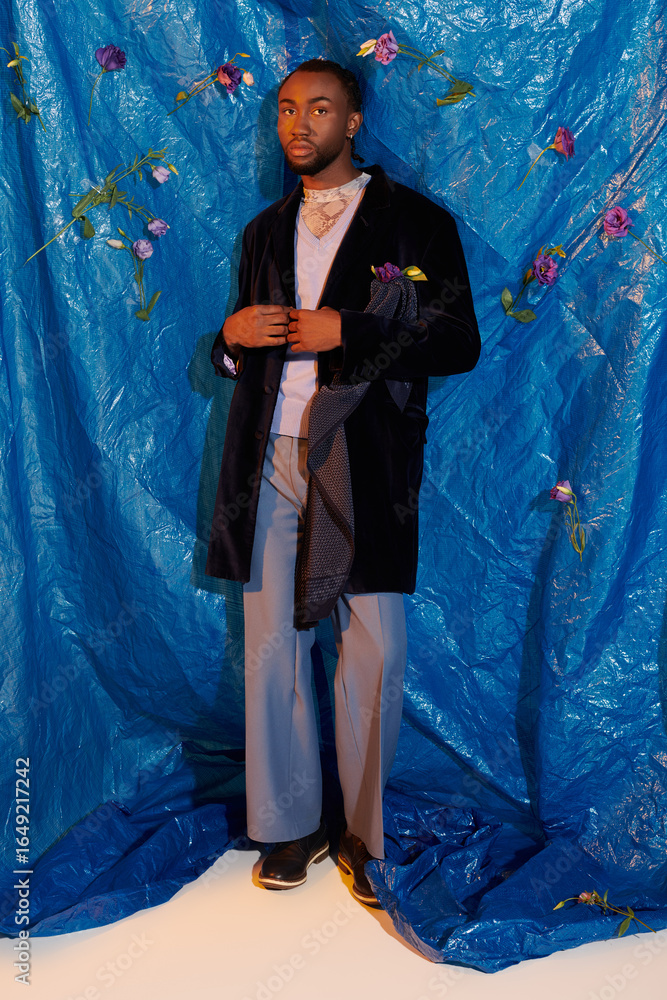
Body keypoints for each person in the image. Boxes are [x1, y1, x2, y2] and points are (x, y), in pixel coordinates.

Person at [205, 58, 480, 907]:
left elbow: (456, 342)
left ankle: (363, 834)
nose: (299, 125)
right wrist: (229, 336)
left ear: (353, 120)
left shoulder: (415, 225)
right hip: (267, 459)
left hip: (363, 463)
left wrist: (346, 330)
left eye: (319, 108)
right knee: (271, 647)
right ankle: (289, 827)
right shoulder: (260, 233)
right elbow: (236, 356)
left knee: (372, 647)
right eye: (287, 110)